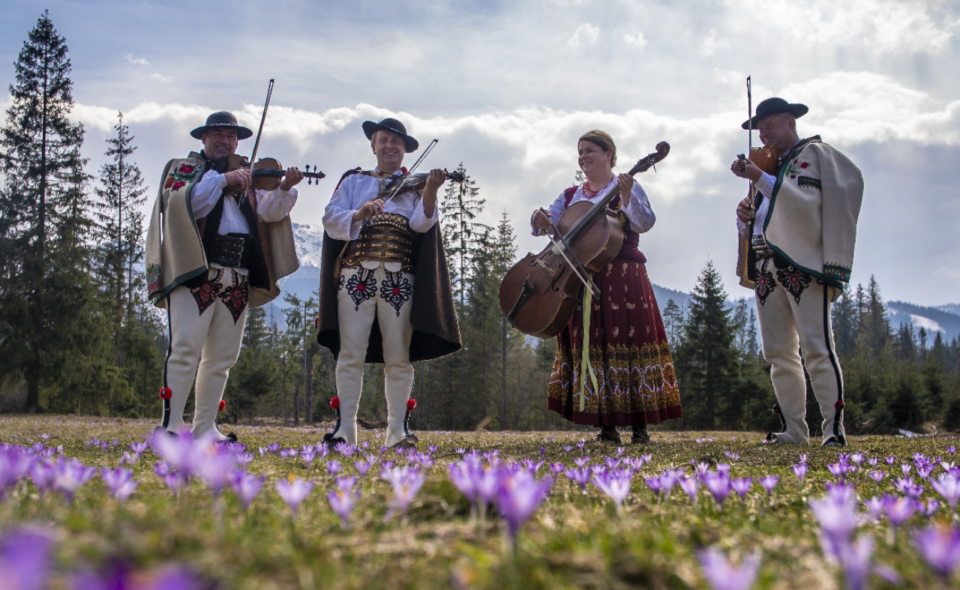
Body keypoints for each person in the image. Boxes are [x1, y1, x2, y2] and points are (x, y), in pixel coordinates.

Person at [145, 111, 303, 442]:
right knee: (185, 348)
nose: (225, 141)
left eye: (231, 136)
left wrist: (284, 188)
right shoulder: (186, 169)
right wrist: (222, 181)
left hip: (238, 275)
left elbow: (268, 213)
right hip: (196, 270)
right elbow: (183, 204)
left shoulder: (245, 174)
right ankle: (171, 426)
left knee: (222, 358)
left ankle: (205, 428)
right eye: (217, 134)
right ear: (203, 138)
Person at [316, 117, 461, 449]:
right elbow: (329, 218)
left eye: (396, 141)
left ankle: (397, 430)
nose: (390, 146)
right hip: (357, 276)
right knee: (350, 353)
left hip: (400, 278)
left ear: (405, 149)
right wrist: (358, 214)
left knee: (399, 355)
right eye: (384, 140)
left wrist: (430, 192)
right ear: (374, 145)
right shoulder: (354, 181)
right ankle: (345, 429)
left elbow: (423, 226)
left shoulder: (414, 185)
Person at [531, 130, 682, 444]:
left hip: (624, 277)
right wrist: (540, 220)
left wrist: (626, 197)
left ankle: (640, 429)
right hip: (581, 276)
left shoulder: (629, 185)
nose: (583, 156)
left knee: (632, 342)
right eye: (580, 151)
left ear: (609, 154)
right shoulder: (571, 194)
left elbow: (644, 223)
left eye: (590, 150)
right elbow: (551, 230)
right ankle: (607, 428)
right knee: (594, 345)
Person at [730, 97, 864, 447]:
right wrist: (745, 216)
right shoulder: (770, 166)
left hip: (802, 264)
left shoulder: (813, 156)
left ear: (791, 122)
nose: (764, 134)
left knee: (817, 347)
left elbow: (805, 207)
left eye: (770, 125)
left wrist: (758, 177)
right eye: (760, 129)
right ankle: (794, 430)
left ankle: (834, 430)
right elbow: (768, 215)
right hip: (764, 264)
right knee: (778, 353)